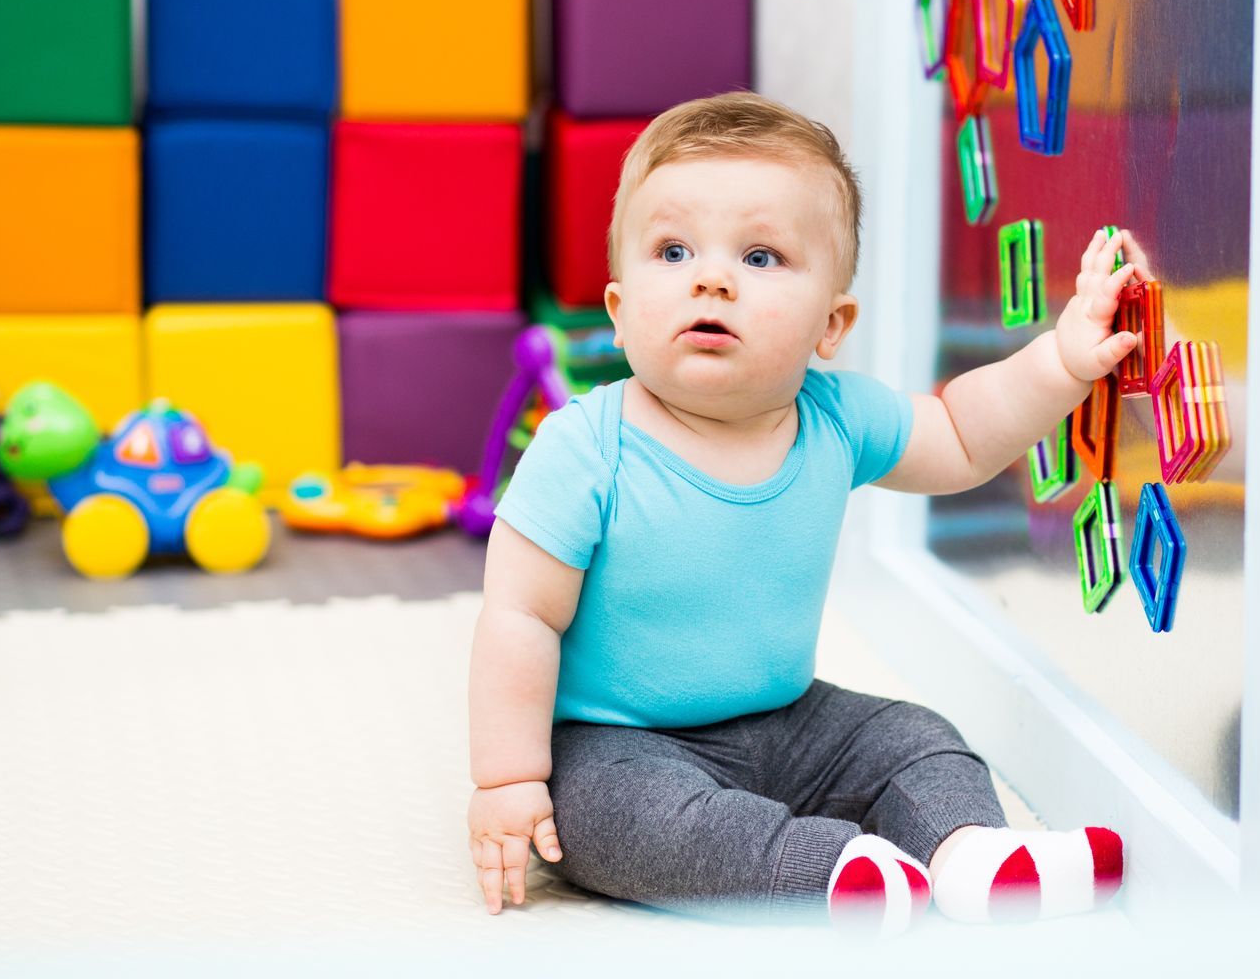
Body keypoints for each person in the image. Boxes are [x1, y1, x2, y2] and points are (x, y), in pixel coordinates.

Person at [466, 92, 1139, 934]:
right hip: (621, 742)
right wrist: (508, 779)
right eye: (672, 250)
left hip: (790, 717)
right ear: (619, 310)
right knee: (614, 823)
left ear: (831, 325)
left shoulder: (834, 417)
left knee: (911, 735)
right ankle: (822, 873)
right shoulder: (584, 449)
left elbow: (965, 432)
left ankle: (969, 852)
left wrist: (1064, 360)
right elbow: (518, 616)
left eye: (760, 256)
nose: (710, 277)